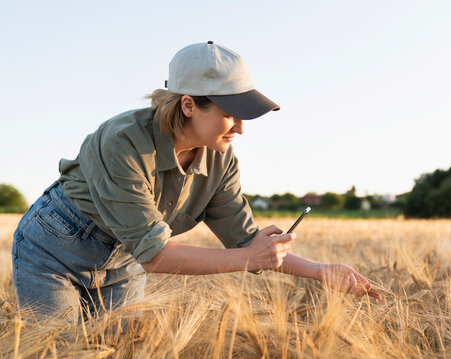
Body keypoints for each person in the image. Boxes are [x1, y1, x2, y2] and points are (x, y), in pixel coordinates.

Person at [11, 41, 380, 322]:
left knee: (124, 349)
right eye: (230, 115)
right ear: (189, 105)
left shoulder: (222, 160)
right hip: (56, 249)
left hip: (124, 262)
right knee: (58, 350)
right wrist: (246, 257)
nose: (240, 128)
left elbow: (248, 244)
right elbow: (155, 257)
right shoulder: (122, 142)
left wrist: (320, 271)